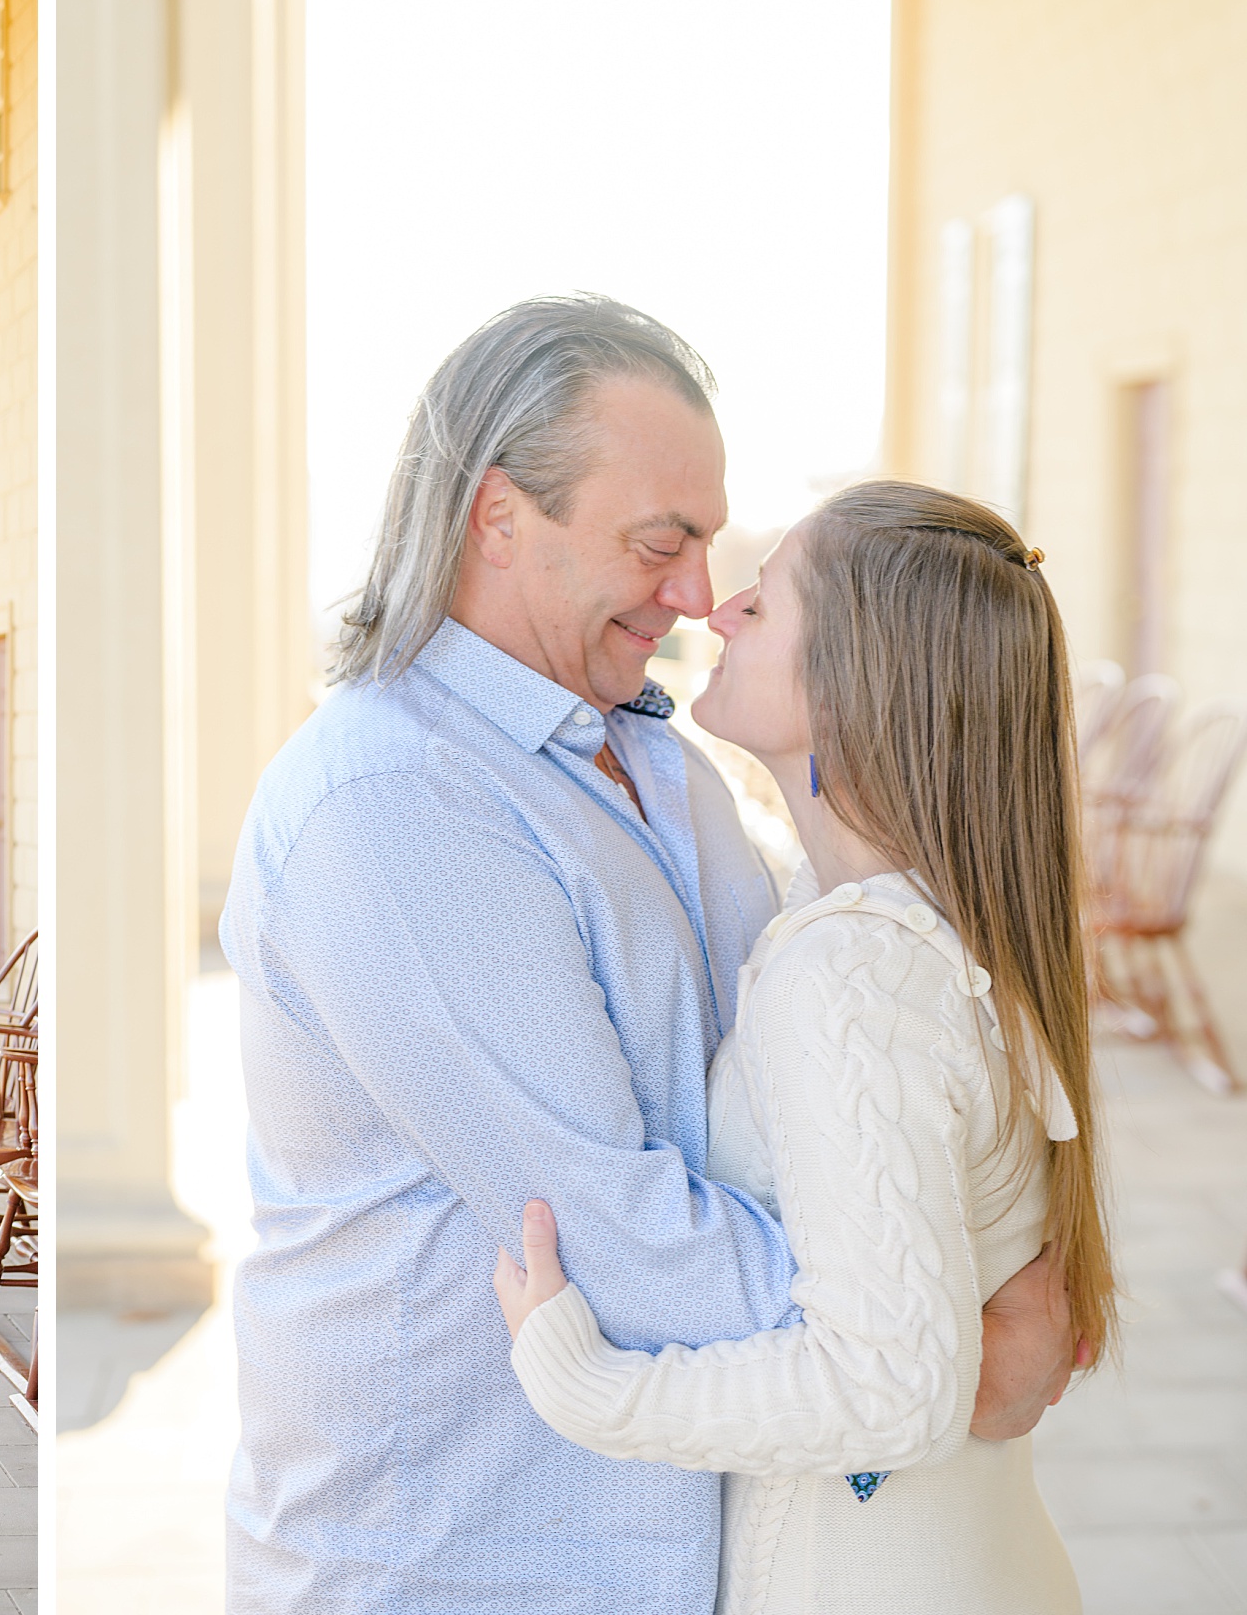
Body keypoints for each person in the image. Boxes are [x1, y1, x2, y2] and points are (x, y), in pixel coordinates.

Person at [218, 295, 1080, 1614]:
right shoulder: (395, 804)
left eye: (714, 552)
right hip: (467, 1566)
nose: (696, 597)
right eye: (660, 545)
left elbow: (846, 1104)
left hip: (678, 1552)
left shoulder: (665, 768)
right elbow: (617, 1238)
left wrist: (948, 1277)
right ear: (499, 519)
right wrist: (946, 1325)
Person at [491, 483, 1112, 1613]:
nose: (718, 609)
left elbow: (887, 1388)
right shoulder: (951, 923)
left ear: (851, 680)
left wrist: (591, 1389)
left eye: (765, 605)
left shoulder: (855, 972)